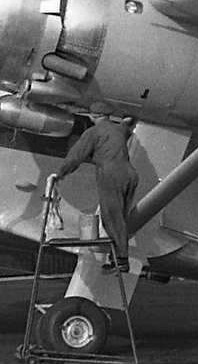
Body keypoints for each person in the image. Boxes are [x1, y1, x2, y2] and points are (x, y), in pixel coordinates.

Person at [52, 115, 139, 269]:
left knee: (111, 218)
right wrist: (127, 121)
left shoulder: (94, 132)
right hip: (130, 173)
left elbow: (76, 155)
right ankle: (117, 258)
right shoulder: (118, 128)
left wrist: (60, 173)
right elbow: (126, 128)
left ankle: (122, 260)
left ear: (93, 116)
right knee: (121, 217)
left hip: (111, 173)